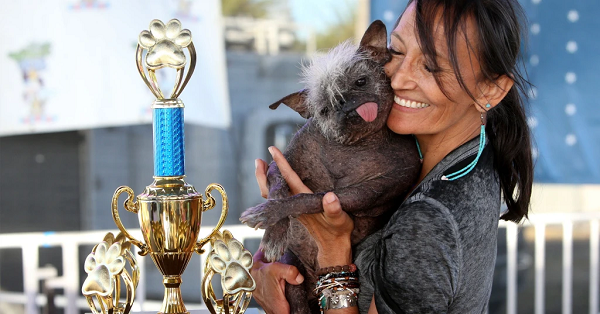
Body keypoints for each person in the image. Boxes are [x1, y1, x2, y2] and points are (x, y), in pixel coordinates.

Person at [251, 0, 533, 312]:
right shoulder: (466, 163)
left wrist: (331, 250)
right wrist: (271, 261)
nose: (397, 79)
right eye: (396, 52)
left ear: (490, 91)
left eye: (430, 66)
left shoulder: (427, 222)